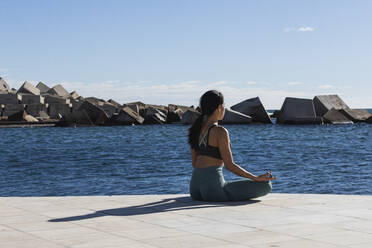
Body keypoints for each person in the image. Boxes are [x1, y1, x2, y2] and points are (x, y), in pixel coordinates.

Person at [188, 90, 275, 202]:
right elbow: (230, 166)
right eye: (224, 105)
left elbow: (195, 163)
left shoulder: (195, 130)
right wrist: (256, 178)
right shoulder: (220, 131)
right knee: (266, 186)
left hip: (194, 189)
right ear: (219, 108)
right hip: (213, 191)